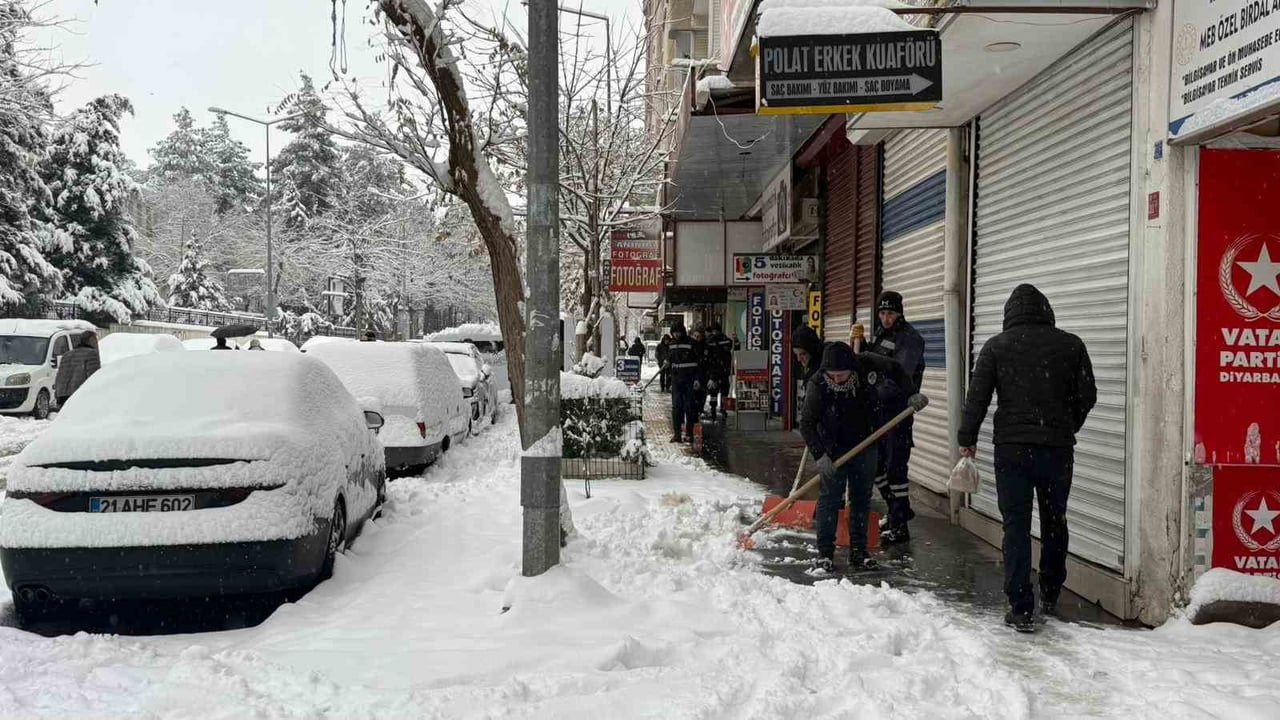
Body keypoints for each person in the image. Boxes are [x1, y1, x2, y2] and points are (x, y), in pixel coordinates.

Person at [957, 284, 1096, 633]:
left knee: (1016, 525)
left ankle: (1020, 607)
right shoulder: (1071, 345)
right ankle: (1050, 591)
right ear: (1047, 311)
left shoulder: (997, 346)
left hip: (1012, 451)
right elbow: (1088, 395)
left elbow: (977, 398)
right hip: (1056, 451)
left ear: (1009, 315)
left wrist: (967, 438)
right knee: (1054, 520)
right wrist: (1066, 425)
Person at [800, 342, 926, 573]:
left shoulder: (866, 365)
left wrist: (912, 393)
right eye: (832, 376)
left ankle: (859, 551)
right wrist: (820, 455)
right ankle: (825, 553)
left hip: (865, 442)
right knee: (830, 498)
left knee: (861, 499)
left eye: (841, 375)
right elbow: (807, 423)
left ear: (852, 368)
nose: (836, 380)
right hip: (833, 448)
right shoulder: (818, 384)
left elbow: (896, 369)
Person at [865, 291, 925, 545]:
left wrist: (875, 387)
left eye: (890, 313)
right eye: (882, 313)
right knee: (876, 465)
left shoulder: (910, 339)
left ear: (899, 313)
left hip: (897, 411)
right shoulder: (881, 334)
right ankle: (896, 510)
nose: (885, 318)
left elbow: (901, 374)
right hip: (877, 410)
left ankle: (900, 526)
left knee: (895, 468)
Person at [666, 325, 701, 443]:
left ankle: (689, 433)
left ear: (683, 332)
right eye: (674, 332)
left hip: (689, 380)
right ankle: (677, 434)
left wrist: (697, 379)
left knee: (689, 407)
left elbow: (698, 362)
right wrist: (667, 361)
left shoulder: (692, 343)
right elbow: (670, 359)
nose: (676, 334)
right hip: (676, 381)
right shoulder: (671, 344)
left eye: (678, 332)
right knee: (676, 407)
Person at [54, 331, 100, 408]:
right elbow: (93, 377)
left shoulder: (67, 354)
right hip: (79, 395)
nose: (97, 343)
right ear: (91, 340)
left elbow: (59, 376)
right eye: (95, 339)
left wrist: (58, 395)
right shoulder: (92, 354)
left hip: (62, 395)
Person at [703, 323, 734, 420]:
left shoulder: (725, 340)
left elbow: (734, 346)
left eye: (716, 331)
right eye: (714, 331)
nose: (715, 333)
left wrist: (736, 340)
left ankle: (722, 408)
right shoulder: (710, 341)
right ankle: (713, 409)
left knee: (723, 391)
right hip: (715, 371)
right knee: (714, 392)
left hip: (722, 370)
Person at [689, 326, 710, 423]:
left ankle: (698, 410)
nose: (696, 338)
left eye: (698, 336)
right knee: (693, 397)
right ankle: (694, 415)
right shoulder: (690, 346)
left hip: (703, 375)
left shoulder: (705, 347)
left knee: (701, 395)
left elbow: (707, 362)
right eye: (695, 336)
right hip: (692, 375)